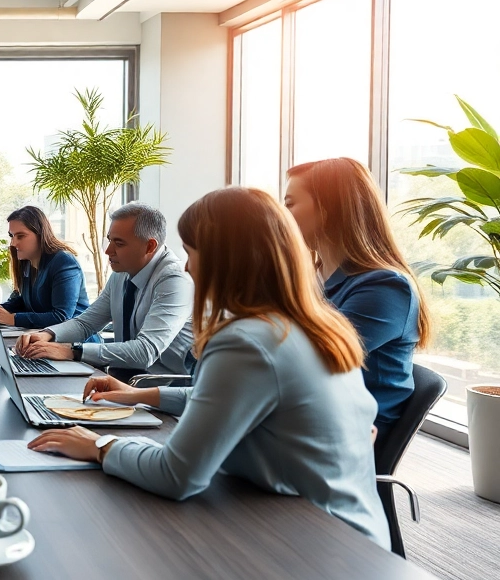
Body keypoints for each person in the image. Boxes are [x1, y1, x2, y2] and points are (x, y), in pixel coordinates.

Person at [27, 187, 390, 549]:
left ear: (223, 258)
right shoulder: (310, 324)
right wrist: (141, 395)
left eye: (190, 253)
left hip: (314, 543)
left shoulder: (247, 340)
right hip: (346, 533)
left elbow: (176, 474)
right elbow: (230, 396)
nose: (186, 266)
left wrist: (99, 446)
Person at [284, 157, 430, 442]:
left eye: (290, 204)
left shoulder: (385, 288)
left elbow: (300, 364)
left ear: (327, 210)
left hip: (344, 440)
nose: (281, 215)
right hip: (299, 420)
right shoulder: (312, 278)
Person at [15, 203, 193, 378]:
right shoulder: (122, 272)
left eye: (119, 243)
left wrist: (71, 351)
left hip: (161, 388)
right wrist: (47, 334)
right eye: (109, 240)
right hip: (122, 383)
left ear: (150, 247)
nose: (108, 251)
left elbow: (145, 351)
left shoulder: (175, 279)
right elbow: (86, 323)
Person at [0, 206, 91, 330]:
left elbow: (62, 316)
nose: (13, 243)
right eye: (12, 236)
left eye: (20, 236)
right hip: (45, 337)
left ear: (40, 234)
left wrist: (12, 319)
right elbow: (23, 301)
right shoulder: (27, 262)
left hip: (76, 342)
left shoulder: (64, 262)